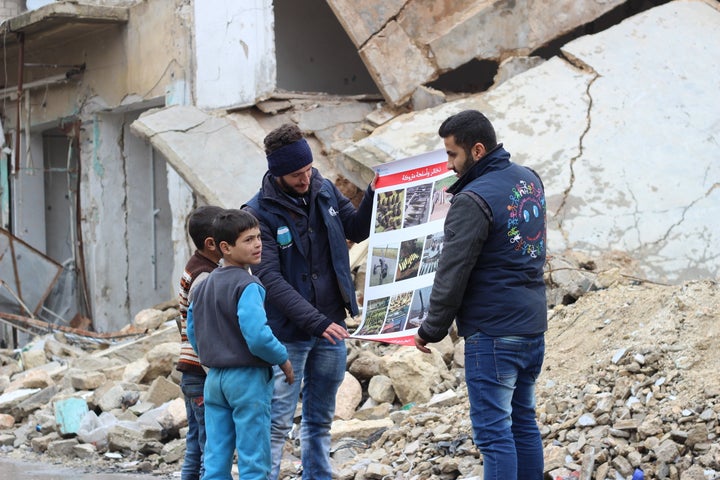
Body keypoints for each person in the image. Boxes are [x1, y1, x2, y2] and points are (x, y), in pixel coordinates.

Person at [413, 110, 548, 480]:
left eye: (452, 155)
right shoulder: (529, 180)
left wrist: (431, 328)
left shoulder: (472, 200)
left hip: (493, 334)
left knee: (493, 435)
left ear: (476, 150)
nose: (449, 164)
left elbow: (452, 273)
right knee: (522, 423)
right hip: (532, 327)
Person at [243, 123, 374, 480]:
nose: (304, 179)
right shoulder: (257, 214)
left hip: (332, 326)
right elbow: (268, 278)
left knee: (319, 419)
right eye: (295, 175)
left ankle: (317, 474)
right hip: (288, 335)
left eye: (307, 170)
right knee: (277, 422)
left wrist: (376, 192)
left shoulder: (325, 190)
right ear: (276, 173)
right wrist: (316, 323)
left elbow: (357, 229)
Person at [187, 209, 294, 480]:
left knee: (215, 457)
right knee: (253, 459)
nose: (258, 244)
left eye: (258, 237)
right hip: (247, 379)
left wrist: (211, 355)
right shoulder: (248, 285)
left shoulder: (202, 286)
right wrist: (282, 357)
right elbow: (257, 336)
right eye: (248, 240)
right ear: (226, 248)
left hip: (214, 380)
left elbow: (192, 332)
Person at [176, 205, 224, 480]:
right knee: (211, 449)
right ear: (211, 243)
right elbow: (203, 334)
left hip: (191, 373)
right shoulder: (204, 278)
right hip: (201, 373)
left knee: (196, 444)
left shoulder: (197, 265)